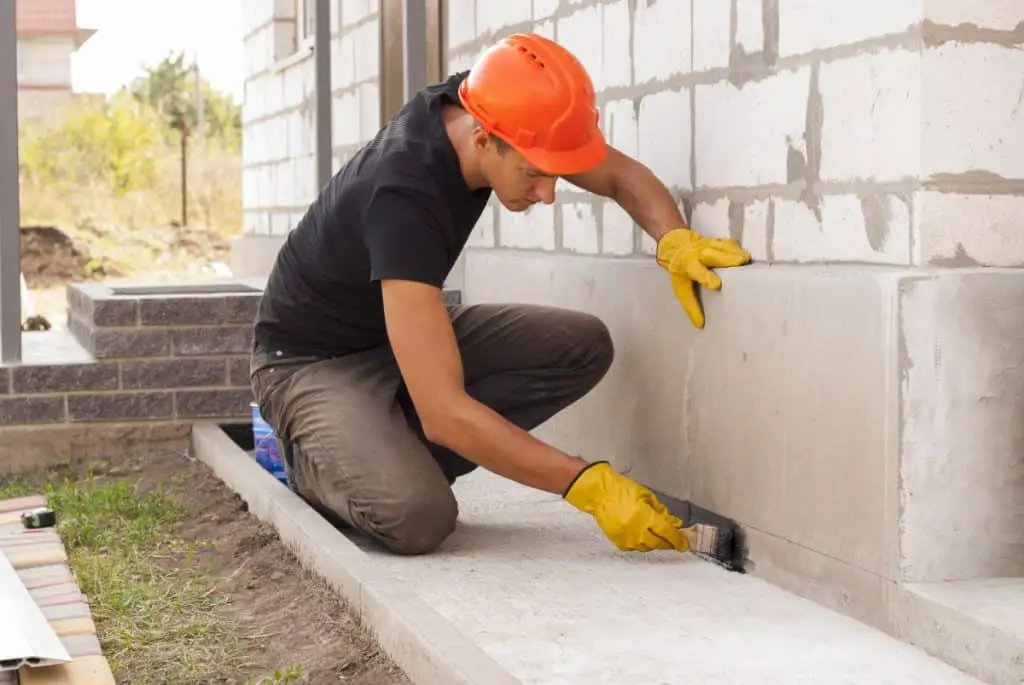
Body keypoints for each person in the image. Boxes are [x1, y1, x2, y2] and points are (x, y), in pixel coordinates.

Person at [249, 33, 751, 557]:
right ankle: (314, 461)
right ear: (484, 139)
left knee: (580, 345)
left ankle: (389, 449)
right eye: (535, 174)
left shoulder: (494, 106)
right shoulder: (402, 199)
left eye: (554, 174)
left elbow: (619, 176)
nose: (549, 193)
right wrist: (587, 484)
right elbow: (443, 413)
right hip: (309, 363)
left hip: (391, 338)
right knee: (416, 517)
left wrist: (673, 239)